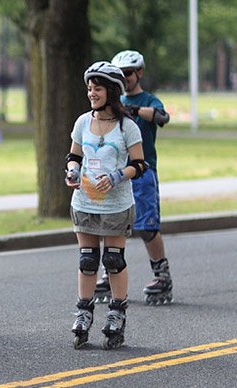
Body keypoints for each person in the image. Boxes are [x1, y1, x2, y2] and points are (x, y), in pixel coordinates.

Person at [65, 61, 147, 350]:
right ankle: (84, 312)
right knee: (88, 260)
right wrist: (72, 172)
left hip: (116, 205)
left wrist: (115, 176)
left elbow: (139, 165)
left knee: (113, 260)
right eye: (89, 88)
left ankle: (116, 314)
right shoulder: (82, 122)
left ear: (111, 91)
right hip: (85, 201)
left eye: (97, 89)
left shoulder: (128, 127)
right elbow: (73, 156)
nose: (91, 93)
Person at [109, 50, 173, 306]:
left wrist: (133, 109)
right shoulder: (112, 100)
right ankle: (109, 272)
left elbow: (162, 118)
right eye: (119, 75)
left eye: (127, 74)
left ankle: (162, 275)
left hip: (144, 172)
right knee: (112, 225)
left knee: (147, 227)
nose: (124, 79)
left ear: (139, 73)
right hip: (117, 173)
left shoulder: (149, 100)